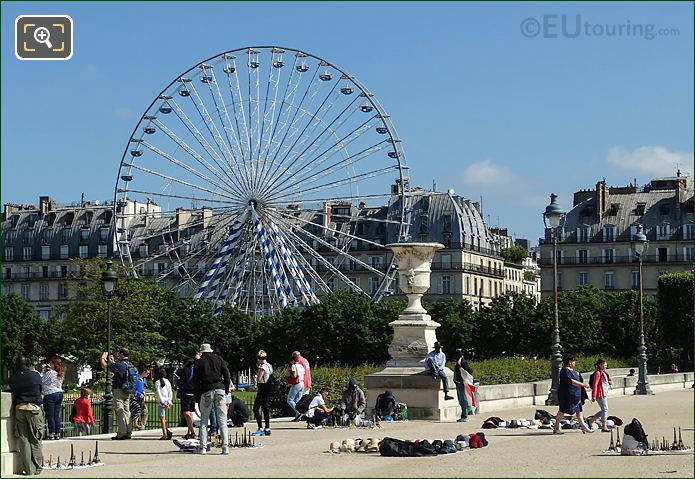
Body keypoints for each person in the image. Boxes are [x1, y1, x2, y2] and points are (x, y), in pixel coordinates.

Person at [193, 343, 231, 455]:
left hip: (206, 390)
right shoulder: (219, 359)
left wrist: (197, 396)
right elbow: (227, 374)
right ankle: (225, 447)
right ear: (210, 350)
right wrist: (226, 388)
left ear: (202, 352)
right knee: (222, 419)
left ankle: (203, 447)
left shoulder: (199, 362)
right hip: (219, 389)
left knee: (204, 420)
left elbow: (195, 381)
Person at [9, 356, 44, 475]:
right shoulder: (35, 375)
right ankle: (38, 467)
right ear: (27, 364)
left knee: (23, 440)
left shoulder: (13, 378)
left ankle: (29, 469)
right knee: (35, 439)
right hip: (34, 408)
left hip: (19, 408)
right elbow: (40, 389)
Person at [553, 355, 592, 435]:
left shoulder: (574, 371)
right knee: (562, 410)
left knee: (579, 411)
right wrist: (583, 385)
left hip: (576, 395)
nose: (575, 363)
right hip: (567, 395)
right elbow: (571, 381)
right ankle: (556, 427)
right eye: (573, 361)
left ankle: (583, 426)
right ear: (569, 362)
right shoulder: (565, 370)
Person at [101, 347, 134, 440]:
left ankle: (121, 432)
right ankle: (128, 431)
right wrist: (112, 362)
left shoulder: (120, 365)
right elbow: (116, 367)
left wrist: (103, 358)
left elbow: (104, 366)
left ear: (122, 354)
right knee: (127, 411)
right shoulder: (130, 365)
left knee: (119, 410)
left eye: (119, 353)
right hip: (127, 390)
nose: (118, 355)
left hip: (118, 390)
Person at [41, 356, 66, 440]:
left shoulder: (50, 373)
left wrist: (43, 371)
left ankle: (51, 433)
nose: (49, 364)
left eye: (50, 363)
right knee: (56, 415)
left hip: (50, 394)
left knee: (50, 415)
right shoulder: (60, 373)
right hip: (59, 393)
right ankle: (57, 433)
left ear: (53, 363)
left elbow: (41, 380)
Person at [588, 358, 613, 432]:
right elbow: (595, 384)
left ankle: (591, 420)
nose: (606, 366)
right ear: (600, 365)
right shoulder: (598, 373)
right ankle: (604, 426)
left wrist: (609, 382)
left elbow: (606, 381)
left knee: (604, 409)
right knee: (605, 409)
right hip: (600, 393)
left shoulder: (604, 372)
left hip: (603, 393)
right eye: (605, 365)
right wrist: (593, 395)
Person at [252, 350, 273, 436]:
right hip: (268, 387)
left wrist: (255, 378)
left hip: (262, 387)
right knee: (265, 407)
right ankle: (267, 427)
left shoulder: (263, 367)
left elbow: (259, 379)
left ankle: (260, 428)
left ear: (259, 358)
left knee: (256, 408)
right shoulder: (269, 365)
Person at [178, 358, 196, 439]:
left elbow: (181, 383)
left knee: (186, 412)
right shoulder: (195, 371)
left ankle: (192, 431)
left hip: (186, 393)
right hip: (193, 393)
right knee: (190, 412)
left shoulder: (184, 371)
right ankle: (189, 431)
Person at [454, 348, 474, 422]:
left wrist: (464, 378)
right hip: (460, 382)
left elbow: (470, 370)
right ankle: (464, 415)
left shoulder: (462, 362)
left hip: (461, 382)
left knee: (463, 399)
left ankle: (464, 416)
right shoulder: (460, 361)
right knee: (462, 399)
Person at [155, 368, 173, 440]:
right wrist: (169, 401)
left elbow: (159, 393)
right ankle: (167, 431)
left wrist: (163, 402)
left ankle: (164, 434)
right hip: (166, 401)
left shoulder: (157, 382)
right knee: (163, 418)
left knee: (162, 418)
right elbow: (170, 392)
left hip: (161, 402)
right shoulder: (167, 381)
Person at [287, 354, 306, 421]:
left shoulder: (293, 366)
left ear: (292, 361)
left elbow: (294, 376)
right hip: (302, 382)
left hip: (296, 383)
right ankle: (298, 416)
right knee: (298, 400)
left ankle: (299, 412)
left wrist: (289, 372)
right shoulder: (301, 366)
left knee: (290, 400)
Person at [134, 366, 150, 430]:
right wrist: (138, 393)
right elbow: (133, 388)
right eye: (147, 373)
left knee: (145, 412)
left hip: (141, 398)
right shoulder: (136, 379)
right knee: (136, 411)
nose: (148, 374)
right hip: (136, 398)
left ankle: (142, 426)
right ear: (143, 372)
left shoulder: (143, 379)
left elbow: (143, 388)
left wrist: (143, 392)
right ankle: (135, 424)